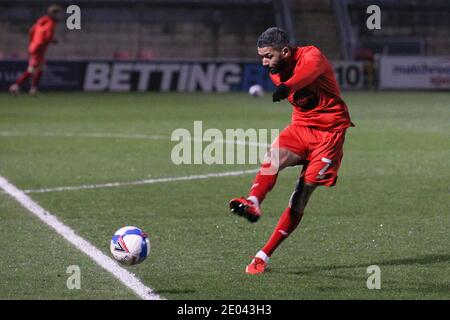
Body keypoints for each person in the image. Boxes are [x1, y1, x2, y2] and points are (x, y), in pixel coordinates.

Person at [229, 27, 353, 274]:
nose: (264, 63)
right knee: (272, 157)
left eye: (268, 56)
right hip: (301, 127)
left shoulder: (312, 56)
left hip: (329, 134)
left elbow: (307, 75)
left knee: (300, 194)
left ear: (285, 51)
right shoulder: (276, 71)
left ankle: (263, 255)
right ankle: (253, 202)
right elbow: (288, 85)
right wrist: (284, 85)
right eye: (261, 57)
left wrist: (287, 87)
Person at [9, 5, 62, 96]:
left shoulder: (41, 20)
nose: (58, 16)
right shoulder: (51, 23)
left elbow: (31, 31)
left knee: (40, 68)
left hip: (34, 46)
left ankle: (33, 89)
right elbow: (48, 36)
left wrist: (33, 42)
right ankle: (16, 86)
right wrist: (53, 40)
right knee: (32, 69)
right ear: (54, 13)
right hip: (39, 47)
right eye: (58, 14)